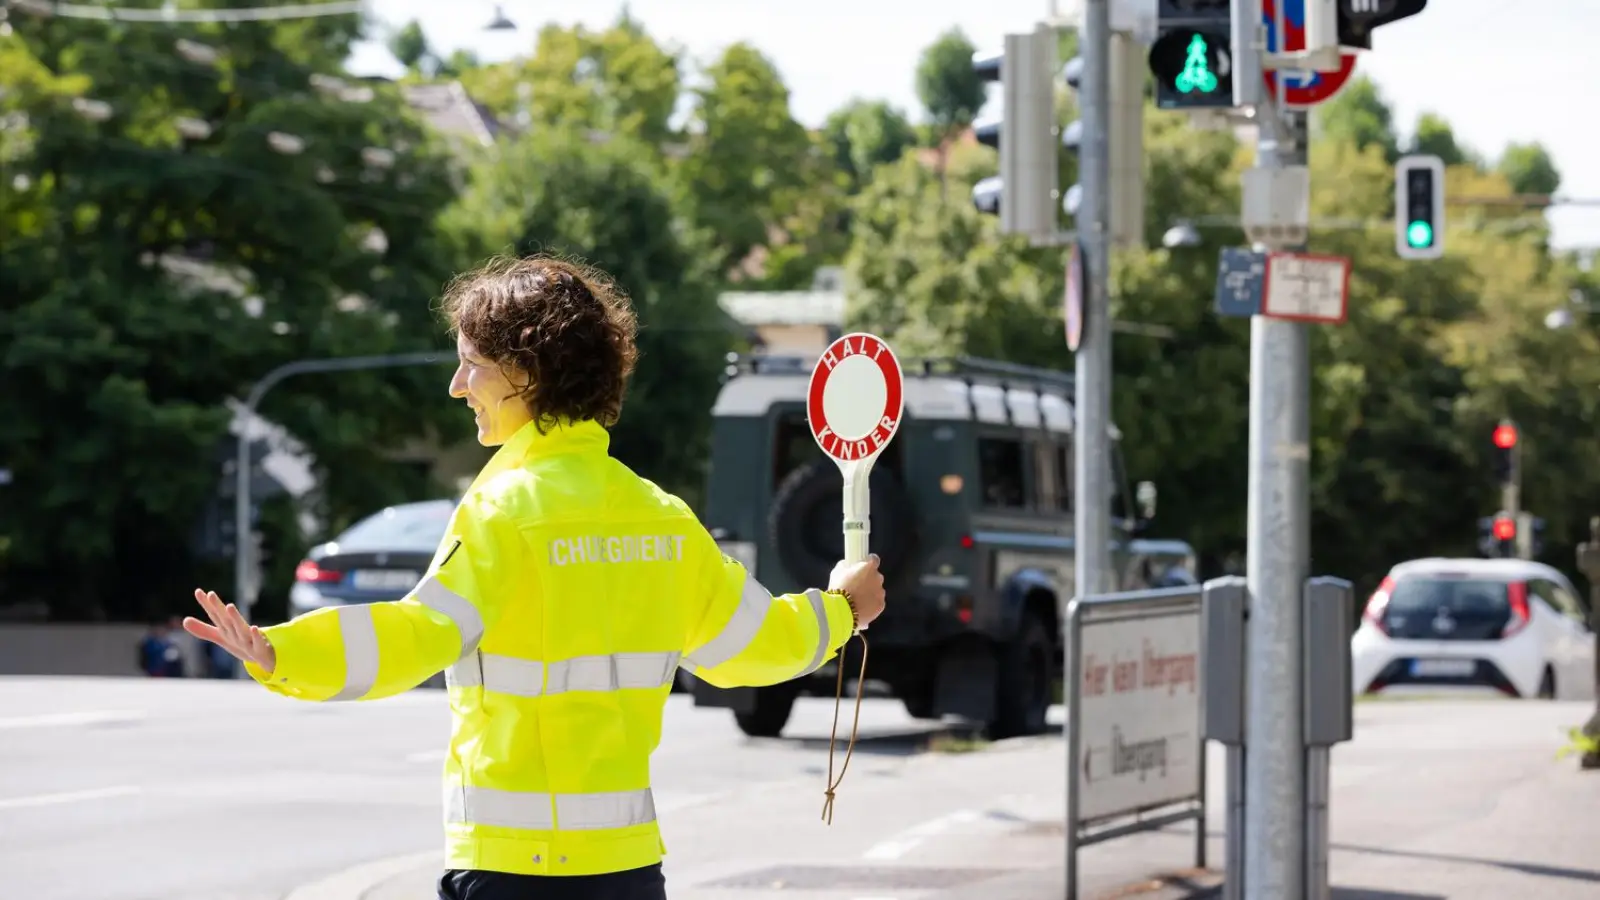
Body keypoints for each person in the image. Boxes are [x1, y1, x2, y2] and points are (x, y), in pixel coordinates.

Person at [183, 254, 887, 900]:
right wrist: (841, 609)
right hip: (627, 874)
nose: (457, 387)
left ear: (528, 372)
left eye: (472, 365)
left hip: (511, 870)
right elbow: (755, 645)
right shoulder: (662, 518)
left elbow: (419, 635)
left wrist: (285, 654)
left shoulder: (503, 511)